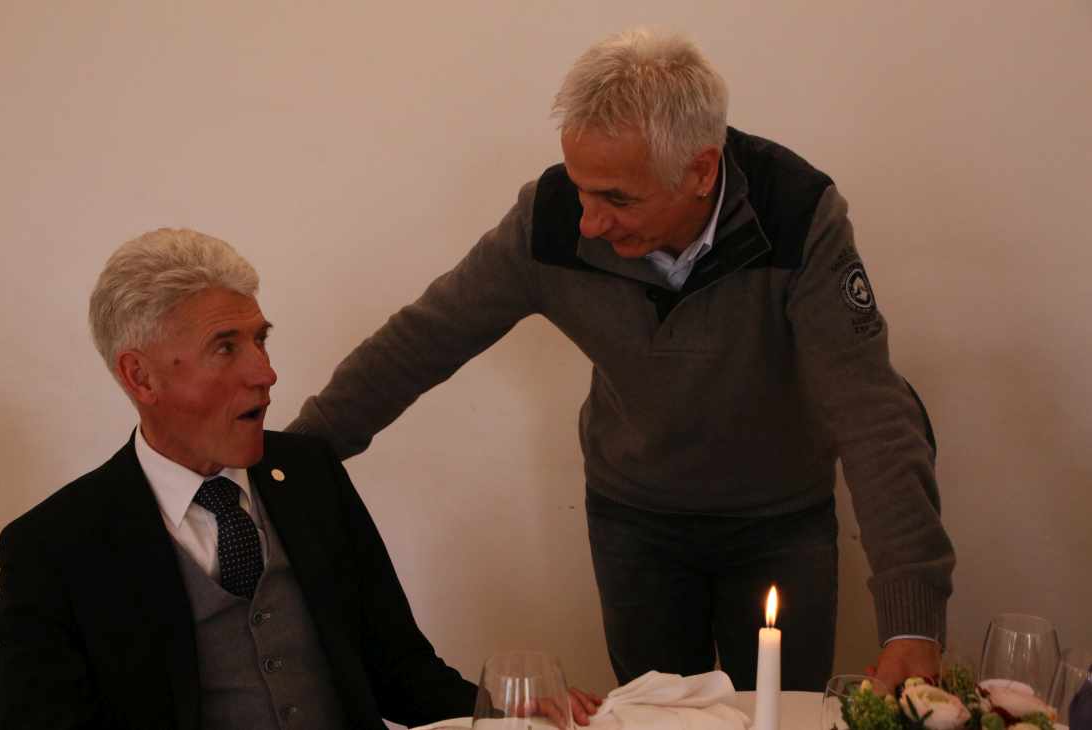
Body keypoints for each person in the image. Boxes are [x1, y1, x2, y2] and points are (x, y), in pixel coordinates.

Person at [287, 28, 955, 692]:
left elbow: (871, 412)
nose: (587, 222)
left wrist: (913, 624)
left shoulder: (799, 215)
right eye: (581, 188)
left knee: (783, 714)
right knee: (652, 715)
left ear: (701, 170)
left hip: (781, 521)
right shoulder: (549, 219)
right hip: (635, 522)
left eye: (617, 198)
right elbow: (421, 341)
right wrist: (286, 468)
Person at [0, 229, 482, 729]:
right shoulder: (51, 549)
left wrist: (510, 717)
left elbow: (404, 673)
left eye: (260, 340)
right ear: (141, 377)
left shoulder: (311, 475)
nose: (265, 373)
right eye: (225, 347)